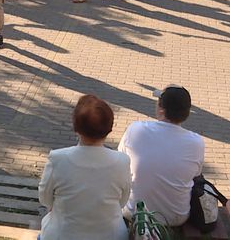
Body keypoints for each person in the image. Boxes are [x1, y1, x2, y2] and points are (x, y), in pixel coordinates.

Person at [38, 94, 131, 240]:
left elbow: (45, 199)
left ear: (76, 127)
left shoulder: (57, 158)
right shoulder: (122, 161)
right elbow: (122, 201)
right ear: (109, 128)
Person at [119, 86, 204, 227]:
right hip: (176, 217)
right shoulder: (196, 142)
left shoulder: (136, 129)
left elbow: (121, 162)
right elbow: (196, 174)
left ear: (161, 109)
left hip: (134, 212)